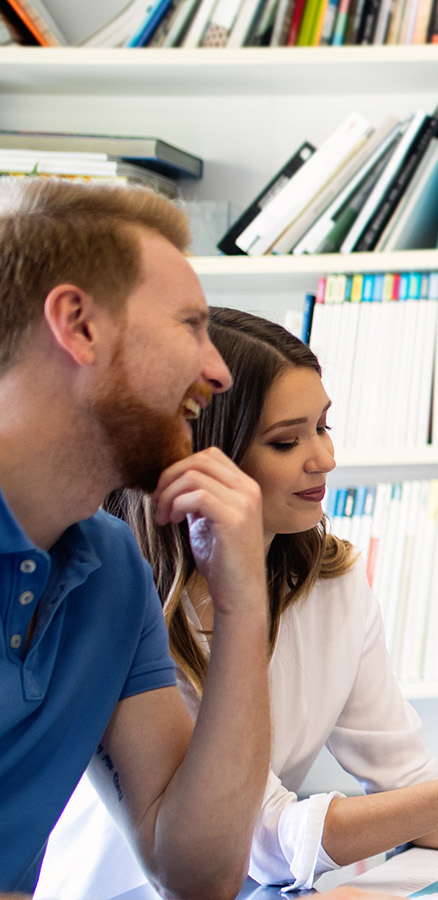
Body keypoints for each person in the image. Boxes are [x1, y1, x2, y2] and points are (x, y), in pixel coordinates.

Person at [36, 309, 438, 897]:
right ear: (205, 460)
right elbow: (265, 843)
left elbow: (412, 790)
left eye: (323, 426)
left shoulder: (332, 582)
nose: (326, 459)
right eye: (287, 443)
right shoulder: (129, 605)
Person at [0, 177, 275, 897]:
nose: (217, 370)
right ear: (79, 325)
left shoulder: (113, 569)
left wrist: (245, 608)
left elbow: (197, 871)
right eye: (190, 325)